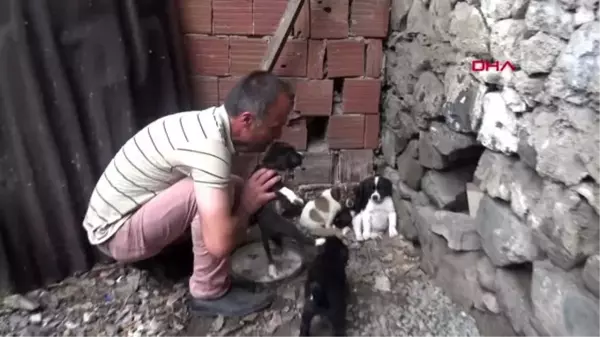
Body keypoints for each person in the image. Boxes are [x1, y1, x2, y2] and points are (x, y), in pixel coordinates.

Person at [82, 70, 293, 317]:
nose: (277, 135)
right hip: (115, 233)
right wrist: (246, 206)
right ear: (246, 120)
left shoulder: (207, 123)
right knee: (214, 194)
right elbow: (218, 244)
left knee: (231, 185)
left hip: (126, 212)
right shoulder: (210, 148)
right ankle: (209, 292)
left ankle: (176, 256)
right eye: (274, 127)